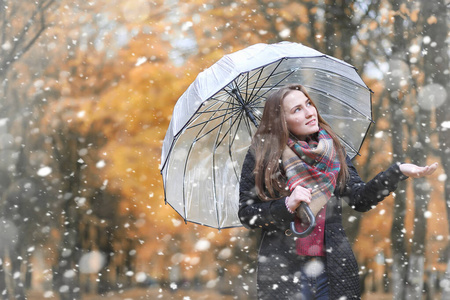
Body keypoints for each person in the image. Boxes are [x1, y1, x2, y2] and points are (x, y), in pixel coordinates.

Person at [238, 84, 437, 300]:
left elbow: (360, 199)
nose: (309, 112)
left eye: (308, 104)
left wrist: (397, 171)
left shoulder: (332, 151)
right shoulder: (262, 156)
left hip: (331, 268)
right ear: (281, 121)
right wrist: (286, 205)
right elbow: (247, 214)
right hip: (285, 269)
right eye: (297, 110)